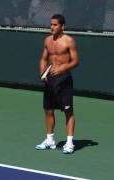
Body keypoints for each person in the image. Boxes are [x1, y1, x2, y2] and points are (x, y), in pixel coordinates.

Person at [35, 14, 79, 154]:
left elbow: (75, 61)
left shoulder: (69, 41)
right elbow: (43, 59)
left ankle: (70, 143)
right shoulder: (47, 41)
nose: (52, 27)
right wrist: (43, 72)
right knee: (48, 110)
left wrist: (62, 68)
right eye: (51, 24)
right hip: (50, 80)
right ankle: (50, 140)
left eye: (55, 25)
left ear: (62, 26)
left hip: (64, 79)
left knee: (68, 111)